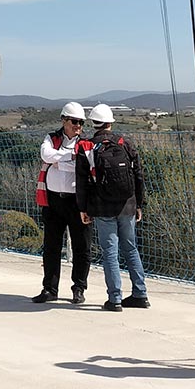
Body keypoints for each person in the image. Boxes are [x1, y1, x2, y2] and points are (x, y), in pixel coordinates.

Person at [75, 103, 149, 313]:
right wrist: (139, 204)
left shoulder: (86, 147)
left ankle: (114, 299)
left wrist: (83, 208)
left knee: (110, 252)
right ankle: (140, 294)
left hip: (101, 207)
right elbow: (138, 176)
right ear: (110, 122)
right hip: (127, 205)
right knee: (131, 248)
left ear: (93, 123)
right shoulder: (125, 143)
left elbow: (81, 182)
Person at [31, 102, 90, 304]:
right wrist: (70, 158)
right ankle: (49, 289)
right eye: (74, 121)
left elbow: (81, 166)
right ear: (64, 120)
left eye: (81, 122)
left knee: (82, 247)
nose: (78, 126)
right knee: (51, 247)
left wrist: (58, 162)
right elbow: (45, 155)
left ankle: (79, 288)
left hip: (77, 202)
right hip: (53, 200)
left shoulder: (86, 143)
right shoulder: (51, 138)